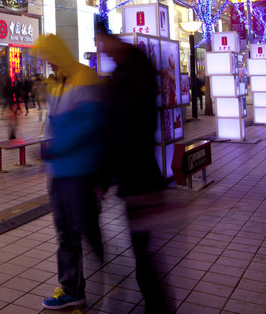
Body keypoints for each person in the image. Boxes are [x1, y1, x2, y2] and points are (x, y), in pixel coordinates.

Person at [96, 23, 170, 313]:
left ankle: (158, 307)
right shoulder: (137, 69)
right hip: (142, 175)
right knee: (144, 250)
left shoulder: (127, 77)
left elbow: (120, 131)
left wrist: (103, 177)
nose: (101, 49)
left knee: (143, 252)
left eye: (102, 43)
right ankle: (156, 304)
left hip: (138, 178)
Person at [35, 33, 105, 310]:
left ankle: (92, 273)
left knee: (82, 230)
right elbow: (54, 124)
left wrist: (58, 146)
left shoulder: (85, 77)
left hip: (80, 170)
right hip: (58, 171)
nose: (48, 65)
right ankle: (72, 288)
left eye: (50, 59)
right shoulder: (55, 83)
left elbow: (92, 123)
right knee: (65, 233)